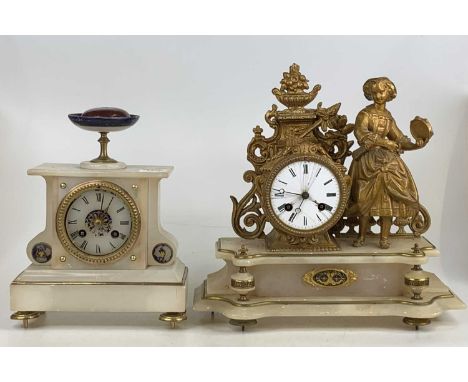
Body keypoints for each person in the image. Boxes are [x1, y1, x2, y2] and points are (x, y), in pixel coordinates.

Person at [348, 77, 426, 249]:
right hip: (368, 160)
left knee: (388, 202)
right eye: (374, 92)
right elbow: (361, 133)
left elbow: (398, 138)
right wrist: (384, 143)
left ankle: (384, 238)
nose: (378, 95)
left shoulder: (388, 117)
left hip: (388, 161)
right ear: (369, 94)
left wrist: (415, 144)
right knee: (364, 201)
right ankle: (361, 236)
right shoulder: (365, 114)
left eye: (382, 91)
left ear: (389, 93)